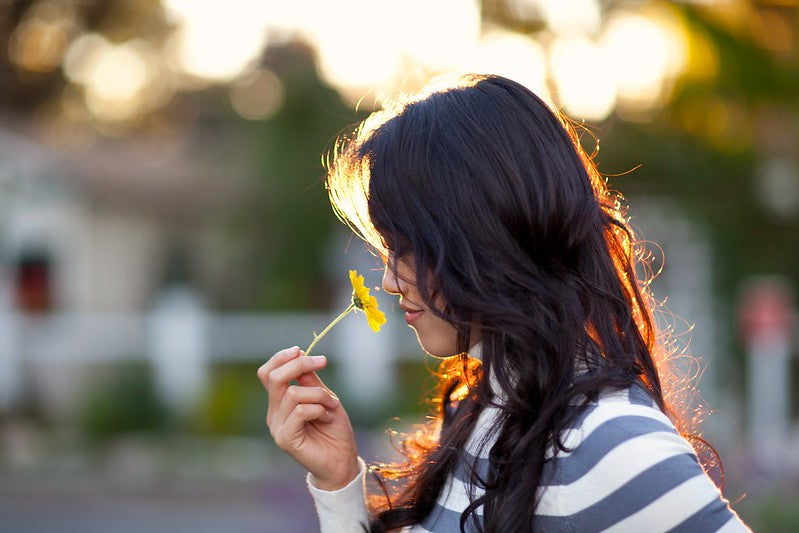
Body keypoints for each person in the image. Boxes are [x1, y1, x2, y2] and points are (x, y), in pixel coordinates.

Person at [257, 74, 750, 532]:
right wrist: (338, 483)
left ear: (483, 236)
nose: (388, 281)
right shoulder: (486, 409)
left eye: (406, 247)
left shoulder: (612, 442)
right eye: (387, 250)